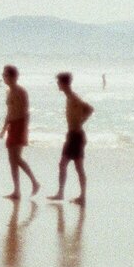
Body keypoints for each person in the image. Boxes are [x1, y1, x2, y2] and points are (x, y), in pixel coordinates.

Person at [48, 72, 92, 205]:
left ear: (64, 83)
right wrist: (80, 122)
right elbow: (88, 109)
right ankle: (62, 193)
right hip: (72, 135)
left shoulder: (73, 98)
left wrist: (80, 123)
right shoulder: (70, 98)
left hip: (76, 136)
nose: (57, 84)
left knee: (76, 166)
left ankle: (80, 196)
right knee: (64, 165)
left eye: (58, 82)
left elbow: (89, 109)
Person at [0, 65, 39, 199]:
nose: (4, 78)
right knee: (12, 159)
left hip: (20, 125)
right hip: (12, 125)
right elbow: (9, 112)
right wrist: (4, 129)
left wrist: (24, 131)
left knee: (17, 158)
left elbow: (26, 112)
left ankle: (34, 182)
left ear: (13, 77)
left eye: (6, 75)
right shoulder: (8, 92)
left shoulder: (21, 91)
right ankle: (16, 191)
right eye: (3, 75)